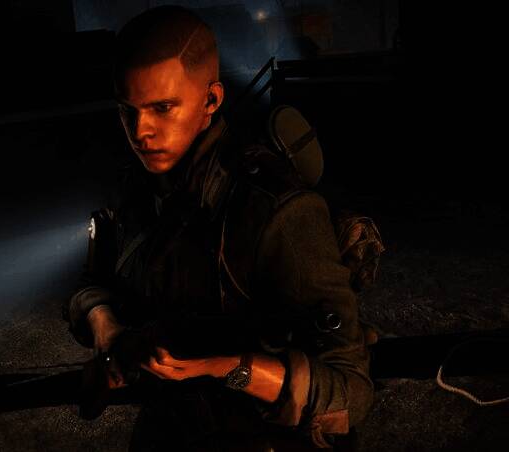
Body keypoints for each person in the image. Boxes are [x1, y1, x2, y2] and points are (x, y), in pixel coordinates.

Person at [66, 6, 372, 450]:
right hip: (170, 430)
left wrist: (225, 367)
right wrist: (107, 329)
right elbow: (91, 284)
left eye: (162, 108)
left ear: (211, 101)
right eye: (127, 110)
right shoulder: (136, 191)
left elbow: (350, 389)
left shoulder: (274, 209)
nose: (141, 131)